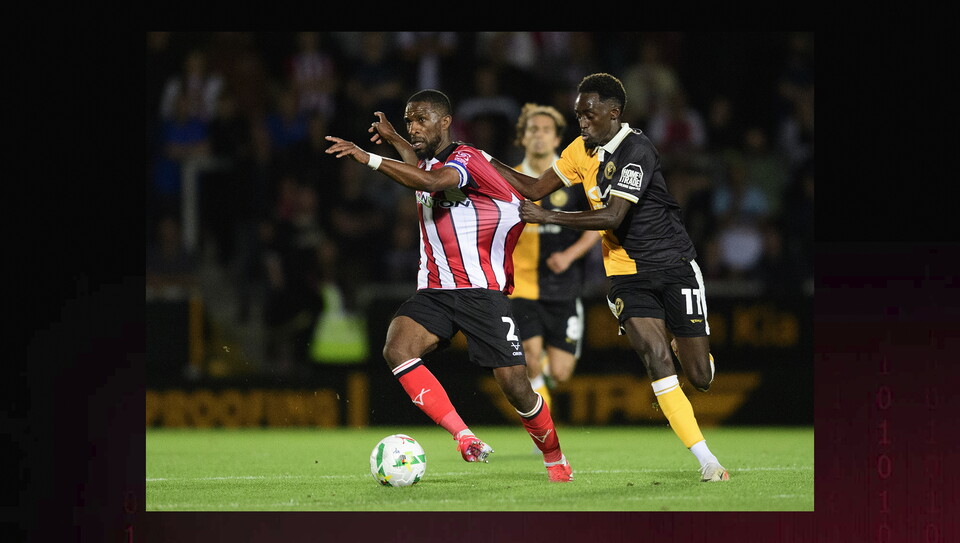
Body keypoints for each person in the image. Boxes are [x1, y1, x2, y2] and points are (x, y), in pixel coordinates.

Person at [488, 73, 729, 483]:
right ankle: (708, 460)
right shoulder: (580, 150)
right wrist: (481, 159)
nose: (581, 122)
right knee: (655, 359)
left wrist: (549, 216)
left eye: (589, 114)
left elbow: (613, 215)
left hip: (673, 267)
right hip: (625, 273)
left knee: (700, 378)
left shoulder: (637, 150)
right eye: (578, 114)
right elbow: (532, 187)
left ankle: (689, 348)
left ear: (614, 113)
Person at [324, 89, 573, 482]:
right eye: (409, 120)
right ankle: (464, 437)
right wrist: (395, 140)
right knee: (397, 347)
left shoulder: (465, 159)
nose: (413, 126)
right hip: (436, 289)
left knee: (517, 389)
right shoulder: (431, 159)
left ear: (445, 122)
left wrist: (368, 156)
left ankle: (555, 459)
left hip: (480, 290)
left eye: (421, 119)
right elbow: (420, 169)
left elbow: (431, 180)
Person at [507, 103, 601, 411]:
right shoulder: (509, 180)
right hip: (520, 287)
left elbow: (598, 224)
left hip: (563, 287)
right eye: (533, 130)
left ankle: (543, 376)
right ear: (522, 138)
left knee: (561, 372)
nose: (539, 136)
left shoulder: (575, 179)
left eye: (546, 130)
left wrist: (570, 255)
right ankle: (543, 430)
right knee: (530, 359)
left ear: (557, 139)